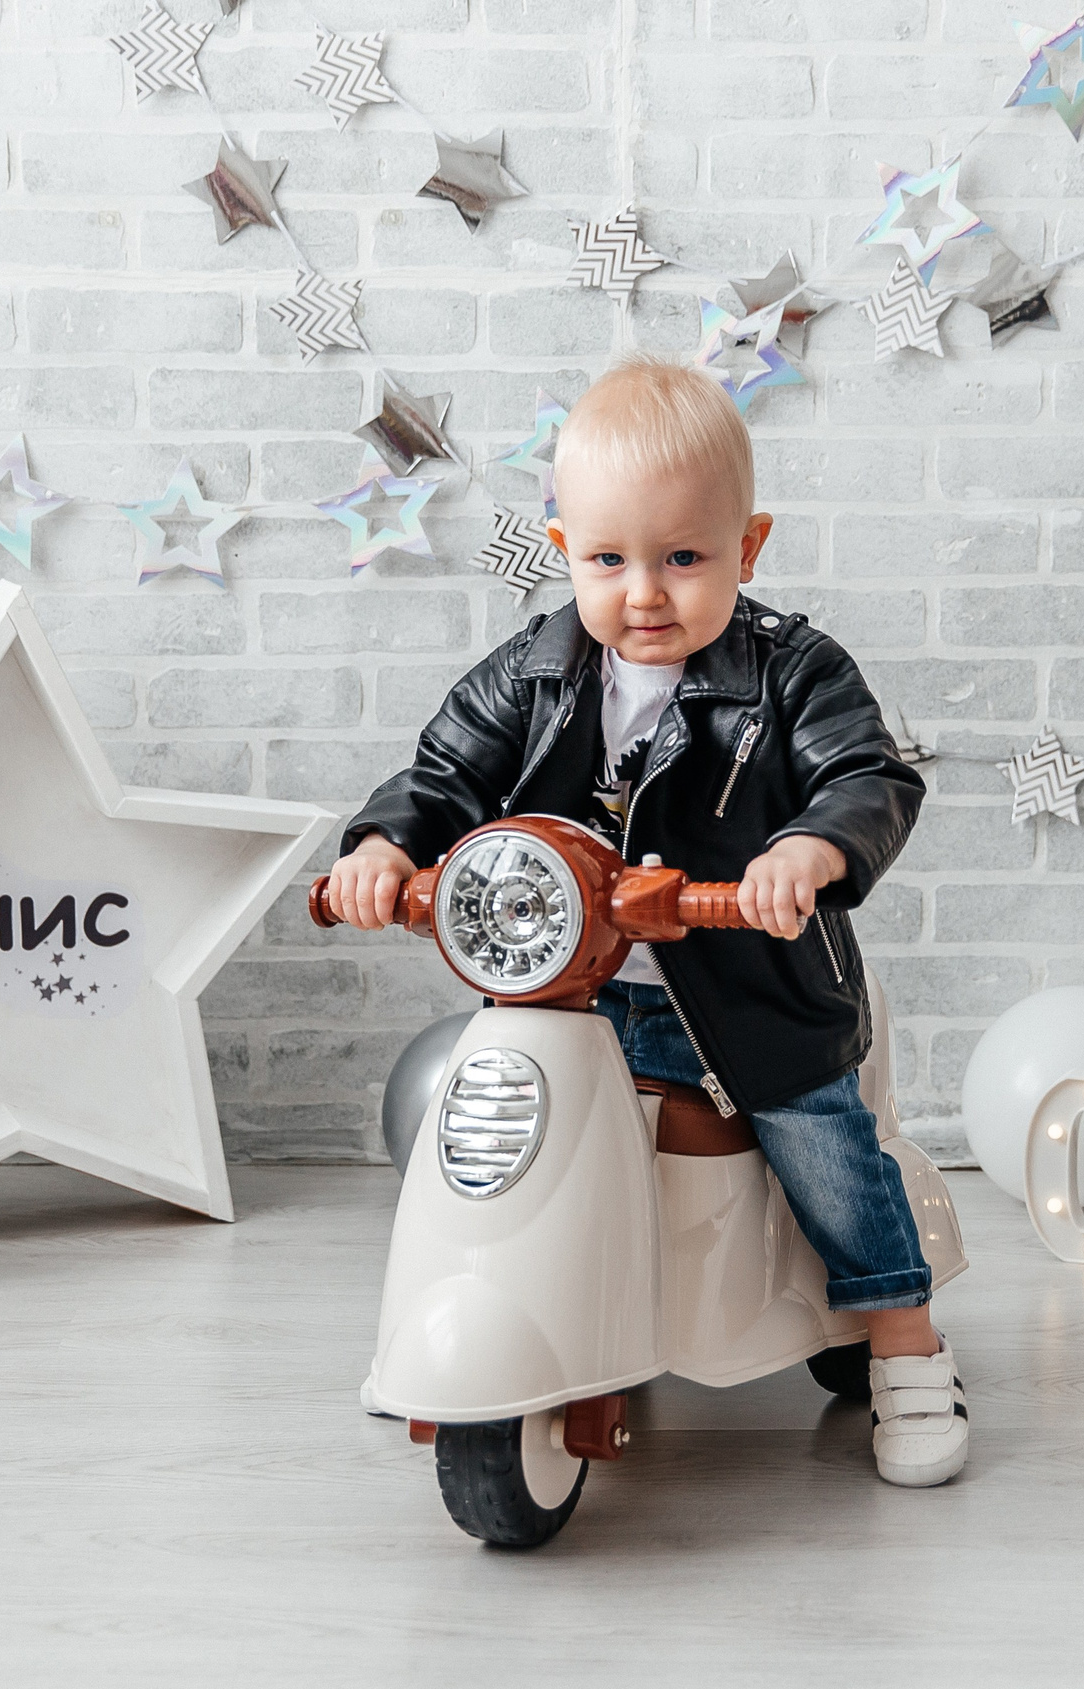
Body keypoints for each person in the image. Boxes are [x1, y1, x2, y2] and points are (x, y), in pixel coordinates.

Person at [323, 353, 965, 1487]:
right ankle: (502, 1314)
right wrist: (384, 849)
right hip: (567, 994)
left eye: (683, 558)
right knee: (497, 1140)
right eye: (609, 558)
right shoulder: (532, 671)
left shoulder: (793, 673)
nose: (646, 592)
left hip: (748, 997)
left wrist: (807, 849)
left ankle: (903, 1341)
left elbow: (865, 775)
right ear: (563, 545)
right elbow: (443, 774)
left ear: (746, 549)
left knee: (821, 1146)